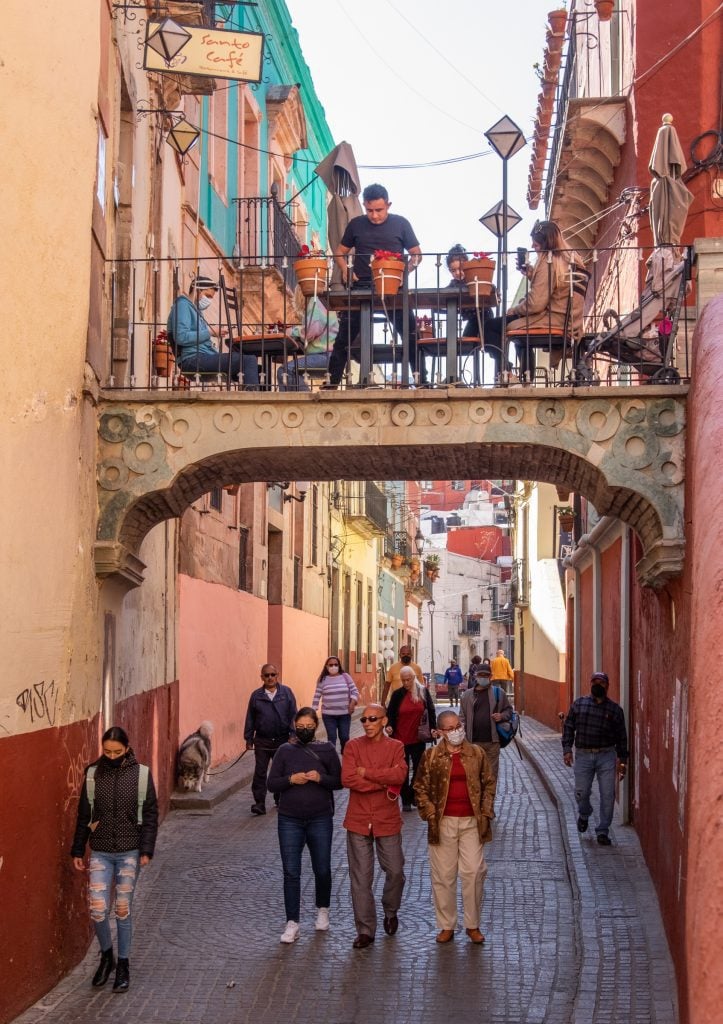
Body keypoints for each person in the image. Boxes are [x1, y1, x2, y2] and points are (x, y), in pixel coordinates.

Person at [70, 726, 158, 994]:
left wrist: (146, 850)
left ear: (127, 748)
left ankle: (123, 964)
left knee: (122, 909)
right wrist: (77, 850)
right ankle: (106, 955)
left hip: (130, 851)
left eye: (117, 752)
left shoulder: (141, 774)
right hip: (101, 852)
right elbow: (84, 814)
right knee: (97, 908)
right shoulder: (93, 774)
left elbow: (151, 814)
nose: (111, 756)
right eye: (106, 751)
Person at [328, 183, 428, 387]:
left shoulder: (401, 224)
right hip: (362, 286)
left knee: (410, 334)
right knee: (344, 336)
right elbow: (340, 251)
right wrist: (346, 270)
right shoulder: (356, 224)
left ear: (388, 205)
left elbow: (417, 254)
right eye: (370, 210)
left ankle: (421, 381)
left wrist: (404, 272)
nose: (374, 215)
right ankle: (332, 382)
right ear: (365, 206)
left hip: (394, 288)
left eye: (379, 210)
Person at [414, 709, 495, 944]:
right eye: (449, 728)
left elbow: (488, 783)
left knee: (474, 871)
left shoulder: (476, 753)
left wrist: (486, 811)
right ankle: (446, 925)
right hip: (442, 822)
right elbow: (420, 788)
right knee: (444, 875)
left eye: (458, 725)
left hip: (472, 822)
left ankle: (473, 924)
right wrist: (430, 813)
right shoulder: (431, 756)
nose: (456, 731)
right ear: (439, 732)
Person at [267, 708, 342, 943]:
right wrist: (291, 780)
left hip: (320, 817)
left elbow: (339, 781)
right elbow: (271, 784)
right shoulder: (284, 751)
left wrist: (321, 778)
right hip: (289, 819)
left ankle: (323, 910)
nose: (305, 730)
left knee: (322, 868)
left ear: (316, 726)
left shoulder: (327, 750)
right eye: (301, 726)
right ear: (294, 726)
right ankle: (292, 922)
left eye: (309, 726)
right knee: (291, 871)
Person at [483, 220, 586, 380]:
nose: (532, 246)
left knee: (491, 327)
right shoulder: (569, 259)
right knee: (515, 329)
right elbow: (554, 286)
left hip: (551, 319)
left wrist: (515, 309)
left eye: (536, 245)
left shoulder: (548, 262)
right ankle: (525, 377)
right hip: (565, 319)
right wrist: (532, 273)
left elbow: (536, 303)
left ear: (546, 244)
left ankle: (507, 372)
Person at [341, 703, 407, 949]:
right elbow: (348, 778)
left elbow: (399, 776)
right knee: (360, 878)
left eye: (372, 719)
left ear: (383, 721)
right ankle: (366, 930)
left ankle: (390, 910)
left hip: (387, 819)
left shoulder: (396, 747)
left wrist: (367, 773)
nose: (367, 723)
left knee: (396, 871)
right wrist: (382, 779)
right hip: (357, 820)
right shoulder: (352, 746)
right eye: (364, 720)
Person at [562, 671, 629, 846]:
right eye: (595, 682)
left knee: (608, 794)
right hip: (583, 755)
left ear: (607, 686)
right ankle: (584, 814)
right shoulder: (579, 705)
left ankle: (602, 831)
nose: (598, 685)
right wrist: (567, 750)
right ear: (590, 684)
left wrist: (623, 761)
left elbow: (622, 737)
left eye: (602, 682)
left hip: (606, 755)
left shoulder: (615, 710)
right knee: (581, 792)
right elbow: (568, 727)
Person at [167, 274, 259, 386]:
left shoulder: (196, 310)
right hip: (192, 359)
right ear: (197, 290)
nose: (209, 300)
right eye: (208, 296)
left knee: (259, 370)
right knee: (248, 361)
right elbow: (181, 337)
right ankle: (255, 401)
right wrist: (210, 332)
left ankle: (263, 401)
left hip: (203, 356)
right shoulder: (182, 305)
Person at [244, 664, 297, 816]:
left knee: (280, 771)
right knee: (260, 772)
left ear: (277, 675)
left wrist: (293, 735)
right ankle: (259, 803)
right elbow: (250, 718)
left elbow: (294, 714)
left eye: (272, 675)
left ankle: (280, 798)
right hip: (262, 740)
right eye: (266, 675)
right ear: (262, 677)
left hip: (282, 739)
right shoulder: (256, 696)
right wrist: (248, 738)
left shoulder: (286, 693)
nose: (270, 678)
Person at [385, 665, 437, 812]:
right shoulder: (397, 695)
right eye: (403, 680)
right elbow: (390, 714)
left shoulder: (423, 692)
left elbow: (431, 711)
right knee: (403, 771)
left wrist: (433, 728)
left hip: (418, 738)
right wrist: (389, 726)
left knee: (419, 769)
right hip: (400, 739)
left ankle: (413, 793)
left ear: (414, 678)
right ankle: (406, 799)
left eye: (408, 679)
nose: (406, 683)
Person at [446, 244, 502, 380]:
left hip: (483, 316)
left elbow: (490, 287)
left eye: (460, 269)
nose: (457, 273)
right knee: (465, 343)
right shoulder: (453, 285)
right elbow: (445, 293)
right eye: (453, 271)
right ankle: (454, 375)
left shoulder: (474, 280)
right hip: (472, 320)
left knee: (488, 341)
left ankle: (502, 367)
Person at [459, 662, 512, 793]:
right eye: (480, 675)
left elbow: (509, 711)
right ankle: (477, 807)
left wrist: (502, 716)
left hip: (492, 743)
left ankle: (488, 808)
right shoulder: (466, 696)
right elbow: (462, 718)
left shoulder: (498, 693)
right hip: (472, 743)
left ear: (491, 676)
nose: (483, 678)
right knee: (474, 777)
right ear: (476, 676)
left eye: (486, 675)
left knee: (491, 777)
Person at [277, 296, 339, 391]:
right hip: (331, 356)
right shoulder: (323, 302)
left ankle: (304, 400)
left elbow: (310, 332)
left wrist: (290, 331)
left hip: (325, 356)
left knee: (285, 371)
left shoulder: (315, 303)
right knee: (289, 370)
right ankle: (298, 400)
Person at [311, 655, 360, 752]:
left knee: (345, 737)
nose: (333, 667)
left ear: (339, 666)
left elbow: (355, 691)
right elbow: (317, 695)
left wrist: (352, 703)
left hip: (344, 714)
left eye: (335, 664)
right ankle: (332, 759)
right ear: (326, 667)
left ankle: (345, 755)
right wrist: (313, 710)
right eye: (331, 665)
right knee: (331, 738)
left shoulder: (346, 677)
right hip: (328, 715)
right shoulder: (322, 679)